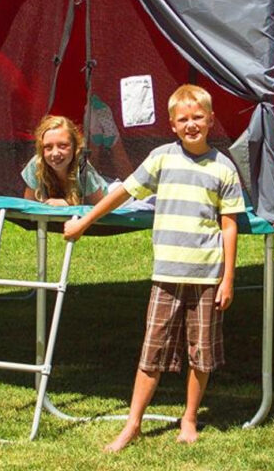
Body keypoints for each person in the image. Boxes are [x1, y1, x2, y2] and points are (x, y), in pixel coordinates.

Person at [63, 84, 245, 451]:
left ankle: (189, 418)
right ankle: (133, 424)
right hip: (166, 276)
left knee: (201, 353)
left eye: (198, 118)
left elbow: (229, 225)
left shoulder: (223, 168)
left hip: (207, 277)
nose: (191, 125)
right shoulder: (162, 158)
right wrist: (85, 222)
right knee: (152, 352)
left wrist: (228, 279)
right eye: (183, 120)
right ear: (173, 125)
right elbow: (124, 191)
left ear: (210, 120)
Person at [22, 114, 107, 206]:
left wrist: (68, 204)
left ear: (75, 147)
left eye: (63, 146)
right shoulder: (37, 164)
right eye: (48, 147)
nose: (55, 153)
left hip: (110, 199)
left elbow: (101, 207)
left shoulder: (83, 170)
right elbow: (29, 205)